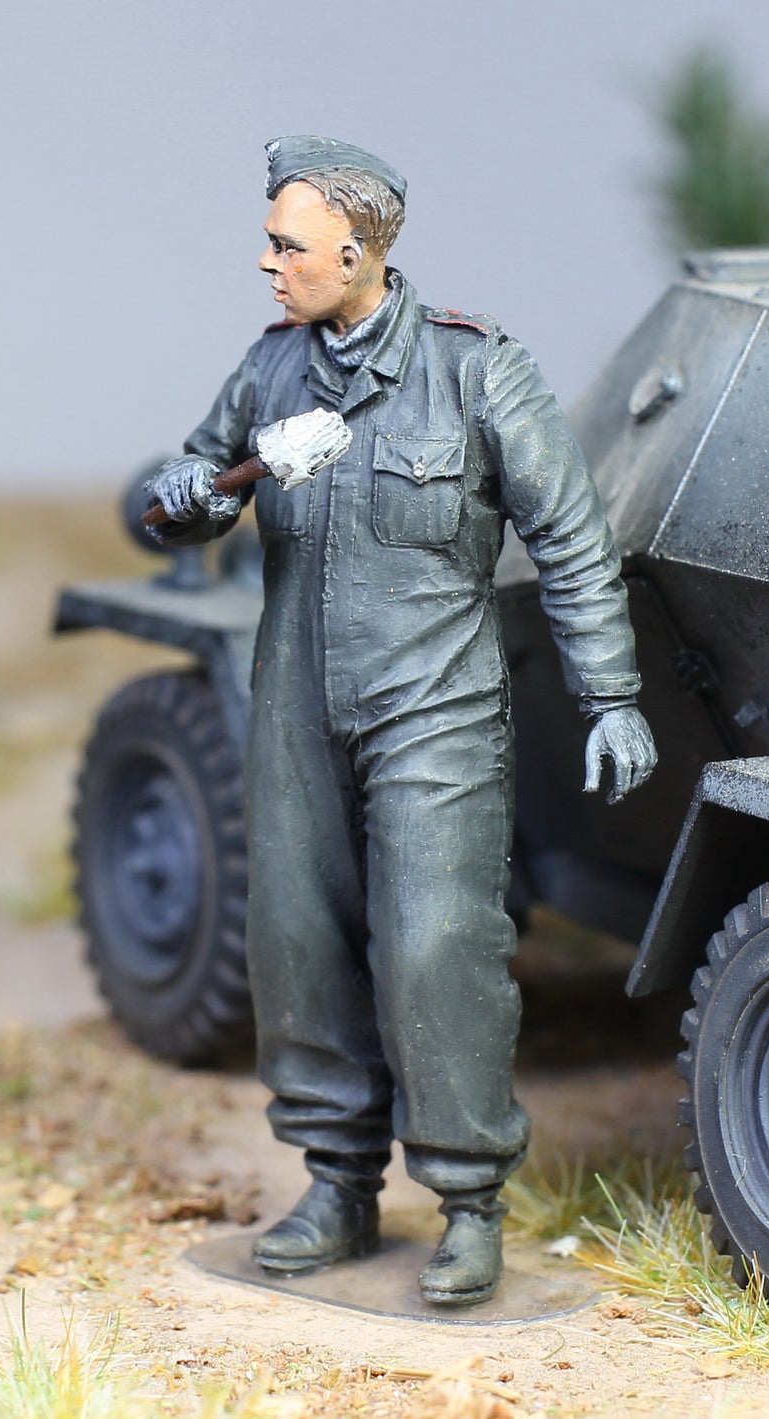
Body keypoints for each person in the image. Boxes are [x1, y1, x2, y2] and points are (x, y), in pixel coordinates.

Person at [148, 135, 655, 1306]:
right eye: (270, 242)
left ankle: (470, 1199)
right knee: (299, 941)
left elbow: (572, 540)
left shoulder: (476, 371)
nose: (267, 263)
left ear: (356, 251)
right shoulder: (271, 369)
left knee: (437, 947)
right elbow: (196, 484)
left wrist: (611, 694)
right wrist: (178, 497)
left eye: (287, 245)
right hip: (296, 704)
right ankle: (336, 1182)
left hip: (434, 708)